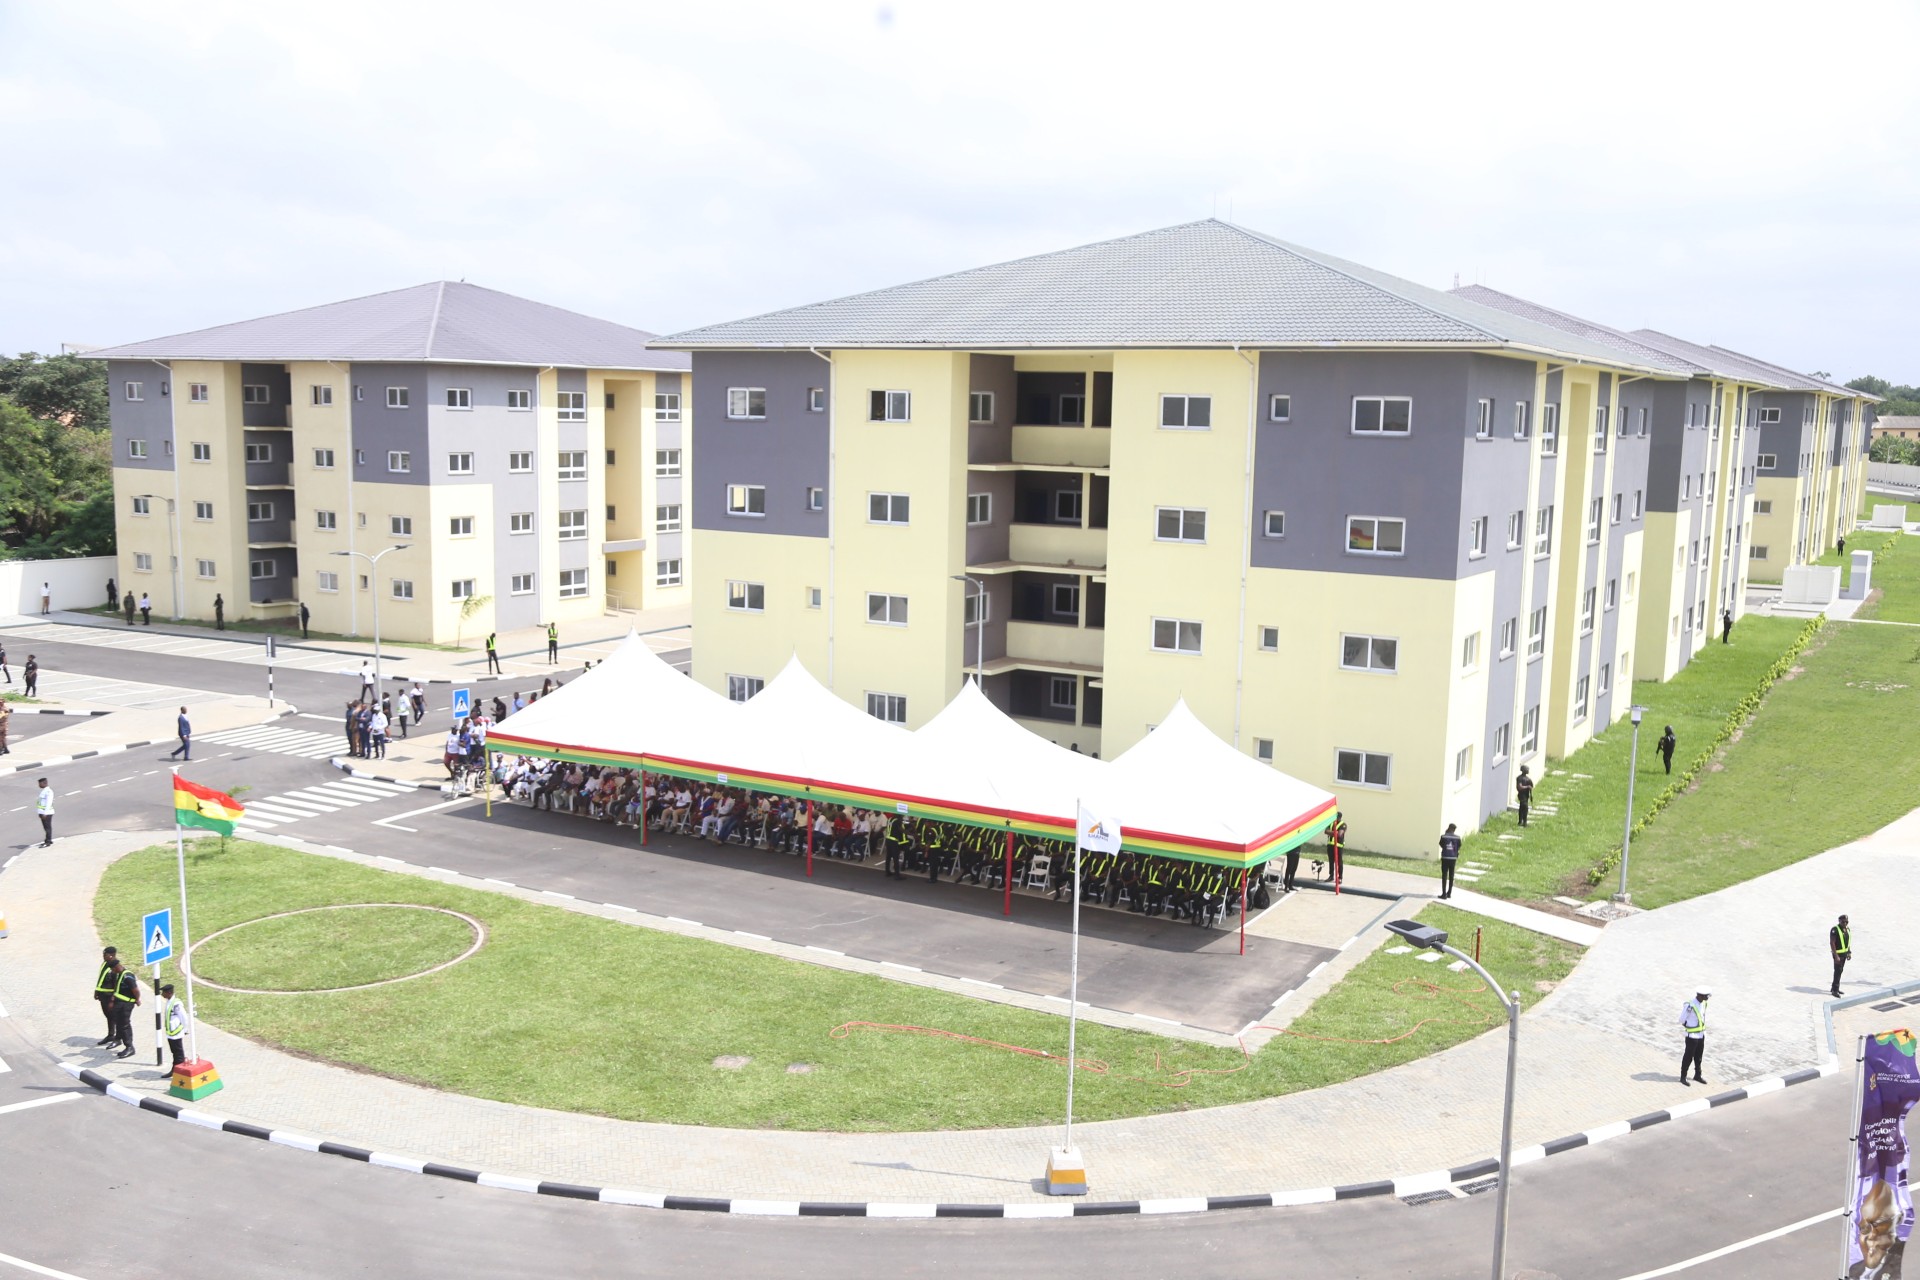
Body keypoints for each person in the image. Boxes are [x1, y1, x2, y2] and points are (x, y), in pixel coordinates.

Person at [107, 958, 140, 1058]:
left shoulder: (127, 976)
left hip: (126, 1004)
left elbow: (136, 990)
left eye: (112, 969)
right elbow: (117, 989)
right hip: (119, 1003)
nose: (112, 971)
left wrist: (137, 999)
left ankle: (129, 1047)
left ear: (116, 967)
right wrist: (113, 1000)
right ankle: (118, 1039)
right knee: (119, 1022)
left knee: (125, 1025)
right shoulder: (120, 974)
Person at [1679, 987, 1708, 1085]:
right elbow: (1682, 1019)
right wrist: (1687, 1025)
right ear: (1700, 995)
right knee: (1688, 1057)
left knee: (1698, 1057)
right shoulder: (1690, 1005)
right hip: (1692, 1036)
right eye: (1706, 995)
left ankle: (1697, 1075)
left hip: (1701, 1035)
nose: (1707, 997)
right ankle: (1683, 1077)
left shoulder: (1704, 1003)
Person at [93, 946, 120, 1045]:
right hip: (103, 995)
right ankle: (111, 1035)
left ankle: (118, 1038)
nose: (103, 956)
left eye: (105, 955)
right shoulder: (105, 964)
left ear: (112, 955)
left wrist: (113, 999)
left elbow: (117, 985)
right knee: (108, 1016)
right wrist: (97, 991)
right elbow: (101, 978)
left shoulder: (115, 968)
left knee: (115, 1017)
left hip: (110, 996)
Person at [160, 982, 187, 1067]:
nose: (162, 994)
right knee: (174, 1052)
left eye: (163, 992)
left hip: (176, 1032)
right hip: (171, 1033)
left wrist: (185, 1029)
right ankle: (175, 1069)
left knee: (178, 1053)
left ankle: (179, 1069)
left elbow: (184, 1017)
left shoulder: (176, 1004)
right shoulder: (169, 1002)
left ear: (169, 993)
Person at [1438, 822, 1461, 898]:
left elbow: (1441, 844)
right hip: (1453, 858)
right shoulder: (1457, 838)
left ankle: (1444, 894)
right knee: (1451, 875)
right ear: (1454, 830)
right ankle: (1449, 893)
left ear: (1448, 828)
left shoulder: (1443, 836)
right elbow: (1459, 846)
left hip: (1445, 857)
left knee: (1444, 875)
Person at [1831, 914, 1852, 999]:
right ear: (1839, 921)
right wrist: (1836, 955)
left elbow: (1848, 942)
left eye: (1846, 922)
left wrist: (1849, 952)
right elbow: (1832, 943)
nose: (1845, 923)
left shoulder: (1847, 929)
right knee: (1837, 971)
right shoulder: (1835, 930)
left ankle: (1835, 987)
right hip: (1838, 955)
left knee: (1840, 971)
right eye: (1843, 922)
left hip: (1844, 954)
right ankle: (1835, 990)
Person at [1325, 812, 1346, 883]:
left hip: (1338, 846)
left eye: (1337, 817)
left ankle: (1340, 877)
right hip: (1330, 845)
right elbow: (1326, 831)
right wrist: (1335, 832)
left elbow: (1339, 834)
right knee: (1331, 861)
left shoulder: (1343, 824)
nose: (1336, 819)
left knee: (1339, 862)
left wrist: (1331, 832)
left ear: (1340, 818)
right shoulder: (1331, 823)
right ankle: (1331, 876)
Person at [35, 777, 52, 846]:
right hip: (43, 813)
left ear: (44, 783)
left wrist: (45, 813)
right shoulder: (44, 791)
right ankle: (48, 840)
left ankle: (48, 841)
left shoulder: (48, 791)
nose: (39, 785)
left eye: (40, 783)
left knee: (47, 827)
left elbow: (48, 803)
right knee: (45, 827)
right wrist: (40, 812)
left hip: (47, 813)